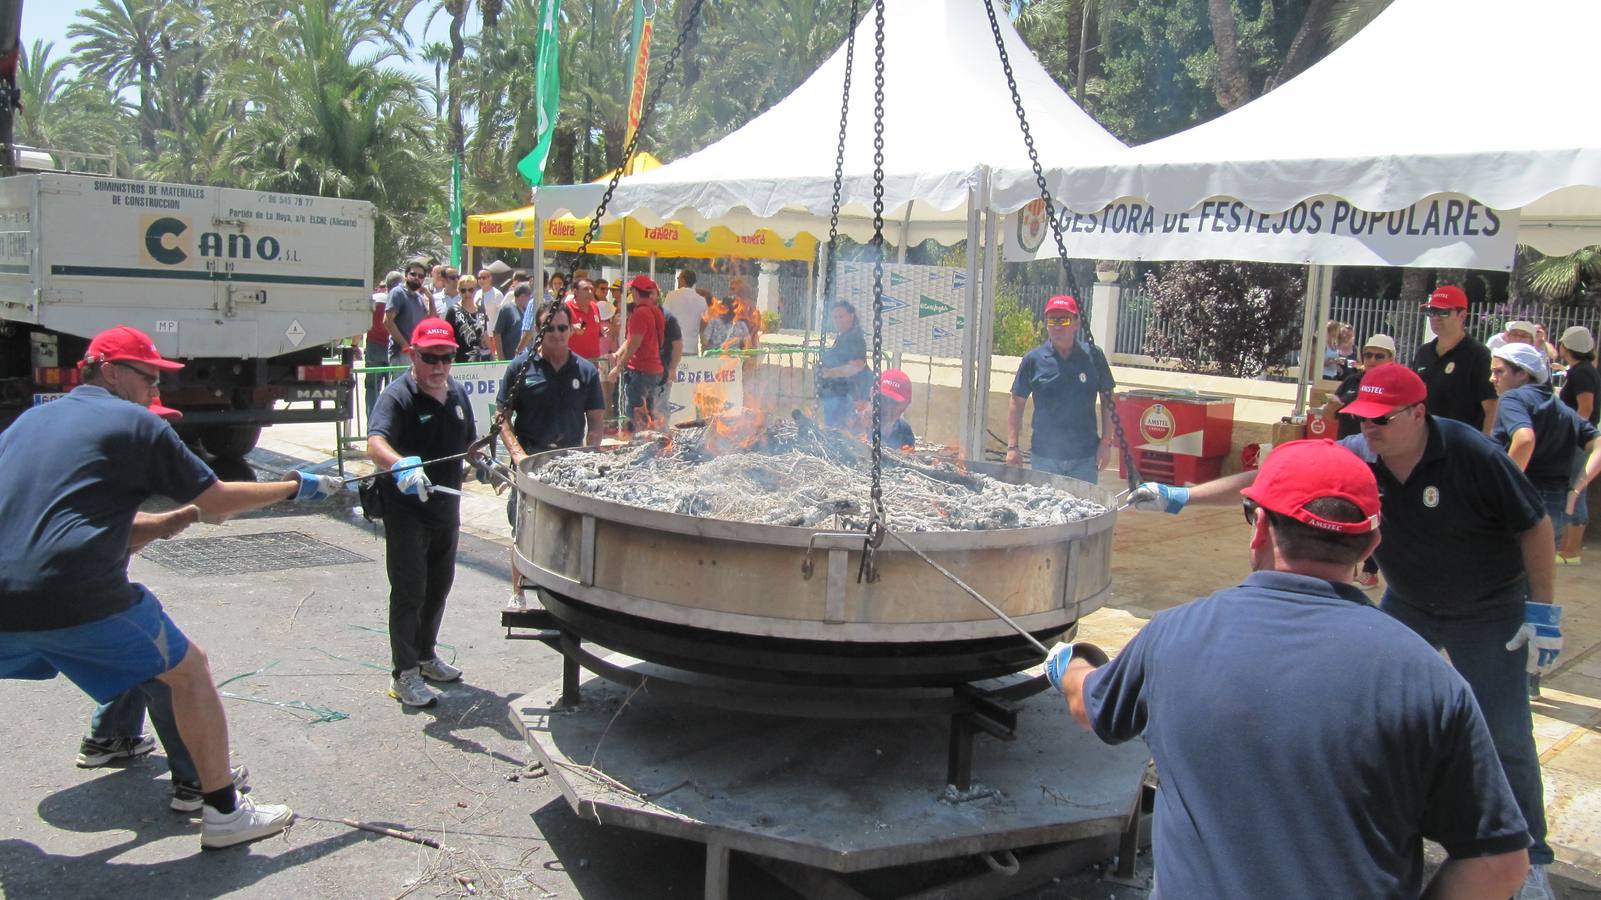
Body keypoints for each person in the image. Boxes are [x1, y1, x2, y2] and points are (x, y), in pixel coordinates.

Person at [1131, 364, 1562, 897]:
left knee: (1506, 732)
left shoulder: (1473, 454)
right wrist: (1182, 497)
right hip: (1410, 600)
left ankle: (1533, 858)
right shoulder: (1357, 453)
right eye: (1363, 418)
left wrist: (1541, 610)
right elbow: (1268, 482)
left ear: (1418, 414)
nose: (1370, 429)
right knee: (1353, 699)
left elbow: (1535, 524)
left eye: (1382, 419)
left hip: (1488, 607)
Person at [1052, 439, 1531, 898]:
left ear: (1259, 527)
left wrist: (1071, 664)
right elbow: (1500, 863)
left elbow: (1089, 707)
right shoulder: (1428, 679)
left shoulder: (1175, 636)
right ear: (1371, 546)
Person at [0, 325, 343, 848]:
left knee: (141, 654)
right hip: (71, 593)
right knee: (188, 670)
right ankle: (224, 811)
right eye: (148, 377)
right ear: (111, 371)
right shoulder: (137, 425)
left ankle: (112, 738)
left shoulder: (31, 421)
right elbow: (219, 498)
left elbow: (63, 526)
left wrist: (168, 522)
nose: (155, 391)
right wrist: (297, 487)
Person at [367, 318, 477, 709]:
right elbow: (375, 442)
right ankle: (405, 673)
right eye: (430, 358)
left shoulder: (458, 393)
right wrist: (400, 464)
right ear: (413, 355)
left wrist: (484, 461)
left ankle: (427, 656)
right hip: (407, 511)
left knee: (438, 586)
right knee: (410, 589)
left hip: (447, 509)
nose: (439, 367)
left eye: (447, 358)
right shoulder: (398, 396)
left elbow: (468, 443)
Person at [1490, 343, 1601, 554]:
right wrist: (1576, 489)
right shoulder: (1560, 407)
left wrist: (1505, 488)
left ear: (1523, 373)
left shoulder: (1512, 398)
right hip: (1554, 507)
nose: (1492, 378)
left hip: (1521, 502)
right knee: (1535, 578)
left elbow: (1524, 439)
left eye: (1499, 372)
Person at [1006, 295, 1115, 483]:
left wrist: (1106, 443)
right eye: (1052, 320)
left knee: (1085, 511)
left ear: (1076, 323)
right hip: (1044, 457)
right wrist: (1012, 447)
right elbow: (1017, 402)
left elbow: (1108, 400)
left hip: (1085, 458)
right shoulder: (1033, 360)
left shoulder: (1093, 356)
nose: (1057, 326)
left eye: (1063, 320)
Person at [497, 299, 605, 466]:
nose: (556, 334)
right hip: (529, 459)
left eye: (562, 328)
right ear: (538, 331)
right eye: (549, 328)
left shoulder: (587, 371)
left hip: (573, 461)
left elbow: (596, 420)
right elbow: (502, 416)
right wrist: (518, 454)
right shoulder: (519, 367)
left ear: (571, 330)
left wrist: (590, 454)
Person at [1413, 285, 1497, 434]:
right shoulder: (1423, 353)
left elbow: (1491, 408)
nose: (1435, 317)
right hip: (1424, 442)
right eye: (1431, 311)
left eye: (1443, 312)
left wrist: (1484, 448)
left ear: (1462, 315)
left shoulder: (1478, 355)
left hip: (1462, 446)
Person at [1558, 326, 1598, 563]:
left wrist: (1571, 433)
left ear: (1566, 347)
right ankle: (1567, 547)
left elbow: (1586, 408)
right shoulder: (1583, 370)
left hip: (1578, 442)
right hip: (1580, 440)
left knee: (1575, 490)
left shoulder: (1580, 373)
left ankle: (1571, 551)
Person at [608, 275, 667, 432]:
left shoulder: (640, 313)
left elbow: (634, 343)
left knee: (636, 414)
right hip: (654, 370)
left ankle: (641, 446)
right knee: (649, 413)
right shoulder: (655, 311)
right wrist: (617, 354)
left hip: (641, 371)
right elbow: (631, 340)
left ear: (635, 291)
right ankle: (651, 444)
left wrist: (617, 368)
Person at [1325, 333, 1396, 440]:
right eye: (1368, 355)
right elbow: (1330, 416)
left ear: (1391, 359)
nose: (1372, 360)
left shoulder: (1395, 385)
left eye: (1379, 356)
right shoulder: (1352, 380)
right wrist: (1331, 407)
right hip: (1347, 448)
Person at [817, 301, 871, 428]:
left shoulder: (855, 338)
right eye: (835, 318)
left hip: (846, 395)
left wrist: (830, 373)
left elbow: (856, 366)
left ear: (851, 316)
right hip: (835, 393)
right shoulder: (843, 336)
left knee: (840, 430)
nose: (838, 321)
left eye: (841, 317)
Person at [384, 260, 436, 363]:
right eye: (413, 274)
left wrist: (431, 299)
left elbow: (431, 321)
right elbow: (387, 321)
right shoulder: (397, 293)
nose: (417, 278)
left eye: (421, 276)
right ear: (406, 275)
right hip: (401, 353)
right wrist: (405, 346)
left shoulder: (419, 298)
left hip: (417, 353)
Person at [365, 271, 401, 417]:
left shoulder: (374, 299)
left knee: (372, 387)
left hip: (374, 346)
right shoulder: (399, 301)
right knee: (393, 388)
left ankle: (372, 422)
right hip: (393, 347)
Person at [444, 274, 490, 362]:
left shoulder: (481, 310)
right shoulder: (453, 311)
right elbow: (447, 336)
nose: (467, 294)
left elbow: (485, 334)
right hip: (460, 358)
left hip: (481, 358)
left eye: (470, 290)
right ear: (459, 291)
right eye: (463, 290)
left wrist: (492, 355)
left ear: (475, 290)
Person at [663, 268, 705, 356]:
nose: (678, 280)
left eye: (678, 278)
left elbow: (663, 319)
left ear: (683, 279)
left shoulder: (671, 296)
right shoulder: (701, 300)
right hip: (692, 347)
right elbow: (704, 324)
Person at [564, 278, 605, 363]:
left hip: (594, 362)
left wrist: (602, 330)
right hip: (574, 362)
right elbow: (559, 332)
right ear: (575, 291)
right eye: (585, 289)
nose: (590, 292)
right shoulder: (566, 308)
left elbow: (597, 326)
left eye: (591, 289)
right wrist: (572, 328)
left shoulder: (595, 307)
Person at [493, 283, 532, 361]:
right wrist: (501, 357)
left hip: (525, 356)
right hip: (509, 356)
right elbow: (497, 333)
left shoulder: (528, 310)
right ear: (522, 296)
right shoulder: (507, 309)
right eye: (529, 297)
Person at [878, 369, 916, 449]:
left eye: (894, 402)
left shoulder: (904, 430)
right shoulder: (859, 423)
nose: (887, 406)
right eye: (882, 398)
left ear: (906, 404)